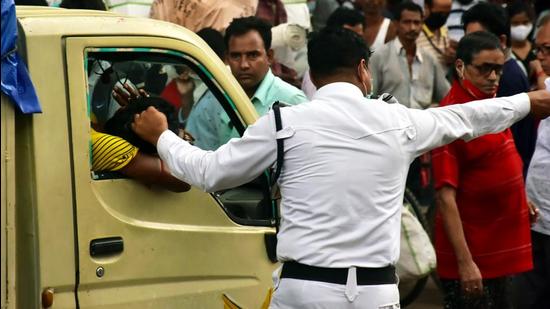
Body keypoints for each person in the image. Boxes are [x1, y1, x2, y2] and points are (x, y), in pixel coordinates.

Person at [131, 26, 550, 308]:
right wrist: (529, 101)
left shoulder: (282, 124)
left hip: (303, 291)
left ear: (313, 73)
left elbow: (207, 172)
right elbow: (465, 118)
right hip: (374, 294)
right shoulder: (398, 122)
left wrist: (161, 135)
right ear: (364, 71)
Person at [431, 31, 535, 309]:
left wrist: (521, 199)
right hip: (474, 259)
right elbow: (445, 198)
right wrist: (466, 264)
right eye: (484, 68)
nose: (493, 77)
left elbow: (494, 164)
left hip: (497, 252)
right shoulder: (451, 118)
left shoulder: (491, 105)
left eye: (498, 69)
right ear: (461, 67)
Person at [185, 16, 307, 150]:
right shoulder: (211, 101)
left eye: (253, 55)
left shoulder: (292, 101)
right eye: (236, 56)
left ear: (270, 57)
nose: (244, 65)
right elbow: (196, 157)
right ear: (227, 58)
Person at [463, 2, 536, 177]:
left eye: (478, 40)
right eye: (467, 40)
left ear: (501, 41)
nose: (469, 49)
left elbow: (509, 144)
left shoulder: (508, 79)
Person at [516, 14, 550, 309]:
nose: (541, 57)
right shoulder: (547, 87)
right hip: (537, 218)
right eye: (539, 49)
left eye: (548, 49)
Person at [370, 1, 450, 110]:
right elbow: (370, 97)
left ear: (422, 25)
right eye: (406, 22)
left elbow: (447, 97)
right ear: (396, 24)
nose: (412, 27)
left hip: (423, 122)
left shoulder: (430, 59)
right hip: (391, 122)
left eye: (417, 23)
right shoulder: (379, 56)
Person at [302, 7, 365, 99]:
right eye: (348, 36)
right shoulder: (320, 69)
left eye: (358, 37)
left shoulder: (362, 61)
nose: (354, 42)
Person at [416, 0, 454, 72]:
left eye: (447, 14)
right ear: (426, 8)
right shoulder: (415, 33)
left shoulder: (444, 30)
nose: (443, 17)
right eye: (440, 14)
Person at [507, 1, 537, 80]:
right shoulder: (505, 53)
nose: (521, 27)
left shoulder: (538, 48)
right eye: (515, 23)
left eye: (525, 22)